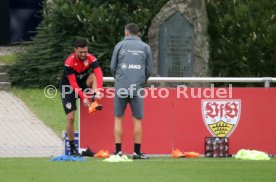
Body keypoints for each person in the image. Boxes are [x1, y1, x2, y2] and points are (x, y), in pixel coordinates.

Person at [110, 23, 152, 159]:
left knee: (118, 119)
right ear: (138, 34)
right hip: (137, 87)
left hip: (121, 86)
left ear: (126, 33)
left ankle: (117, 151)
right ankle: (137, 153)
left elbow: (112, 67)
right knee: (137, 120)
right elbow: (149, 70)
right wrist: (141, 81)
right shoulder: (145, 47)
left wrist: (120, 79)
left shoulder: (119, 45)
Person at [60, 38, 103, 156]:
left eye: (85, 51)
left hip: (82, 84)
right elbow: (73, 83)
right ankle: (73, 148)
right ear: (75, 50)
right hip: (68, 88)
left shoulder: (91, 58)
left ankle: (95, 102)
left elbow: (99, 74)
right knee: (71, 117)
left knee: (93, 76)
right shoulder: (69, 62)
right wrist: (84, 97)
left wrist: (98, 90)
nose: (84, 54)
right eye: (81, 52)